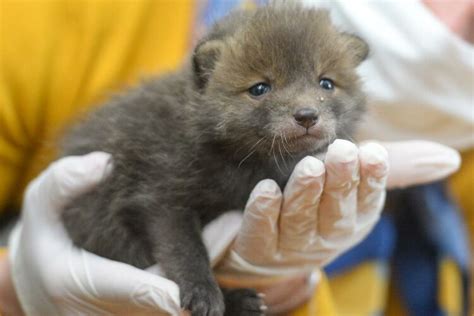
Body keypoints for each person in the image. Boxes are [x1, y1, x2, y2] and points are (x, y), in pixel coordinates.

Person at [0, 0, 471, 315]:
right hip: (107, 225)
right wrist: (18, 287)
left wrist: (287, 290)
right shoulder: (62, 20)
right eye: (262, 89)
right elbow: (164, 206)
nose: (449, 27)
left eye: (326, 84)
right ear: (207, 79)